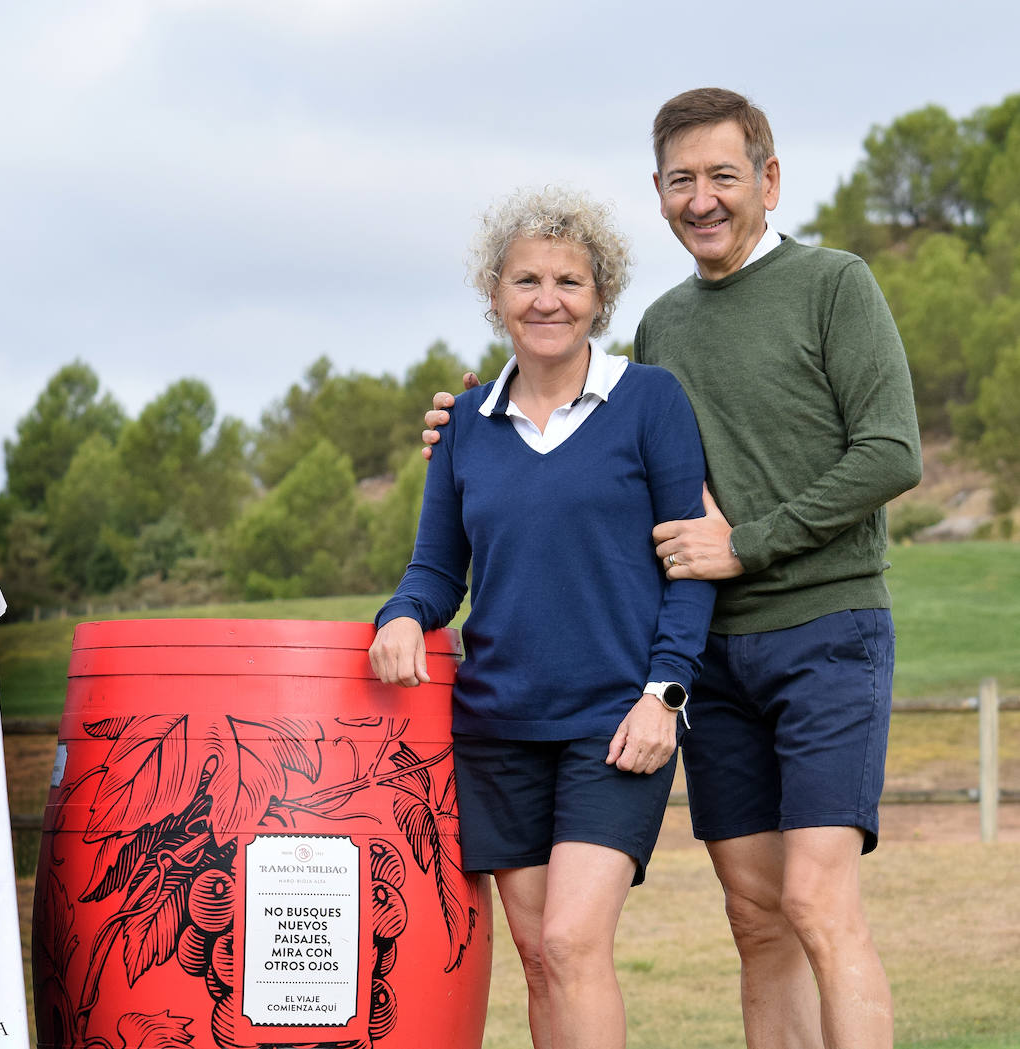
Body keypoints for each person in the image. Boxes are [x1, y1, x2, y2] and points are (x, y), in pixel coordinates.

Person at [423, 89, 923, 1049]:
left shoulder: (835, 283)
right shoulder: (661, 329)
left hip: (827, 630)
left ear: (768, 182)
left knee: (817, 898)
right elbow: (593, 446)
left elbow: (891, 452)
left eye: (724, 176)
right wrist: (466, 426)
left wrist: (748, 541)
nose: (703, 199)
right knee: (755, 914)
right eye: (682, 180)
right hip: (718, 660)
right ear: (657, 193)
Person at [370, 186, 716, 1049]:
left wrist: (666, 695)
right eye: (526, 279)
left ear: (600, 295)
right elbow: (436, 571)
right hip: (496, 726)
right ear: (494, 293)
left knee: (572, 939)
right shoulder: (465, 428)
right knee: (535, 953)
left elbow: (693, 562)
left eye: (570, 280)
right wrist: (403, 616)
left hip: (616, 722)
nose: (547, 298)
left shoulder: (651, 402)